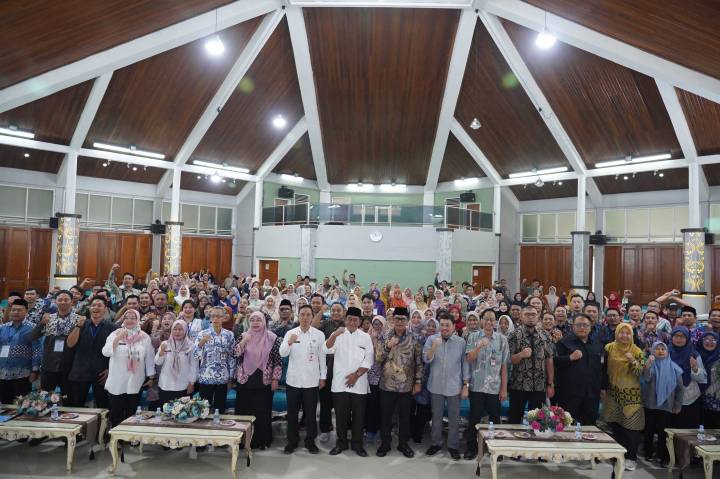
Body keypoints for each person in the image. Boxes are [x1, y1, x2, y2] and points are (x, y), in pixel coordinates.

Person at [323, 306, 374, 457]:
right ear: (345, 320)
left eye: (355, 320)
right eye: (349, 319)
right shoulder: (338, 334)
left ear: (359, 322)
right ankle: (341, 443)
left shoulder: (365, 337)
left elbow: (369, 359)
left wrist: (356, 375)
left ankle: (357, 444)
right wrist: (334, 335)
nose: (352, 322)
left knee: (359, 417)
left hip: (359, 384)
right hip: (340, 384)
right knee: (341, 416)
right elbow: (326, 349)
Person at [375, 307, 424, 458]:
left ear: (407, 321)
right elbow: (378, 359)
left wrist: (418, 382)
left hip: (406, 386)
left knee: (405, 417)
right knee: (386, 416)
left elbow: (419, 362)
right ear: (392, 319)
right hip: (387, 385)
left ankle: (403, 444)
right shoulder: (384, 336)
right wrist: (388, 346)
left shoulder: (414, 338)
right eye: (397, 319)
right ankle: (385, 443)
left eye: (403, 319)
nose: (400, 322)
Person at [279, 304, 326, 454]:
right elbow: (282, 353)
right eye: (302, 315)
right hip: (293, 381)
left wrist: (323, 377)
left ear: (312, 317)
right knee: (292, 413)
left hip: (311, 381)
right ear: (298, 316)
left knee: (310, 414)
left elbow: (322, 357)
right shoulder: (291, 333)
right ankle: (292, 441)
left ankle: (310, 441)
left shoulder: (319, 335)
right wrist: (289, 342)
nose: (305, 318)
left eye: (308, 315)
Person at [464, 310, 508, 459]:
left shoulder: (502, 339)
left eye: (492, 319)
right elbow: (469, 359)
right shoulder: (473, 336)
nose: (489, 322)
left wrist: (504, 389)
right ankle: (471, 447)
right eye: (486, 319)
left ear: (495, 322)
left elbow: (504, 366)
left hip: (494, 387)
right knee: (474, 418)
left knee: (495, 418)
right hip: (477, 386)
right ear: (482, 321)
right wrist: (479, 347)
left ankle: (495, 449)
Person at [235, 311, 282, 450]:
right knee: (244, 411)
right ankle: (244, 441)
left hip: (264, 380)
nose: (255, 323)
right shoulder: (243, 336)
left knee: (262, 411)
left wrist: (275, 379)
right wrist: (244, 341)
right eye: (252, 320)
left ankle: (262, 441)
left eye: (258, 320)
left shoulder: (273, 338)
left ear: (264, 322)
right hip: (245, 380)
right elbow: (235, 354)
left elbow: (277, 361)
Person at [423, 313, 467, 460]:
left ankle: (453, 446)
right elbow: (426, 359)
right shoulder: (431, 339)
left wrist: (466, 384)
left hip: (454, 386)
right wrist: (434, 347)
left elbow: (465, 364)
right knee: (436, 417)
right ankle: (436, 443)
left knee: (454, 418)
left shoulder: (461, 342)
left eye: (448, 325)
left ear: (454, 327)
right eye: (442, 325)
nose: (444, 328)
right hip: (436, 385)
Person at [102, 309, 156, 428]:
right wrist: (118, 338)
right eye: (127, 317)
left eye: (133, 318)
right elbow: (106, 352)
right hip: (117, 380)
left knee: (132, 411)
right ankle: (115, 435)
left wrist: (151, 377)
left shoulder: (144, 337)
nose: (129, 320)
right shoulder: (115, 334)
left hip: (135, 380)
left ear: (138, 320)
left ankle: (129, 434)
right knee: (116, 411)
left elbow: (149, 358)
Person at [602, 323, 645, 471]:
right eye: (621, 332)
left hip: (631, 395)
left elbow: (642, 372)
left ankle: (631, 458)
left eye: (628, 333)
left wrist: (633, 361)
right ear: (616, 334)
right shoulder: (609, 348)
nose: (624, 336)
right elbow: (603, 368)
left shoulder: (637, 351)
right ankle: (617, 455)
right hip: (614, 393)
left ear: (632, 336)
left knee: (632, 428)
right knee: (616, 426)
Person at [507, 306, 555, 424]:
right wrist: (521, 355)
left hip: (539, 385)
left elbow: (549, 360)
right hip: (518, 385)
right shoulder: (513, 335)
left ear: (538, 316)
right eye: (527, 314)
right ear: (521, 317)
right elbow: (508, 360)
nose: (530, 317)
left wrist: (550, 383)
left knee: (537, 422)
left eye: (533, 314)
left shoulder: (545, 335)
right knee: (514, 419)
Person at [66, 297, 117, 408]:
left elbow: (116, 352)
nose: (96, 308)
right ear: (89, 308)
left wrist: (109, 369)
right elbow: (70, 344)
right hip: (80, 371)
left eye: (99, 305)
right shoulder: (80, 324)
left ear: (105, 309)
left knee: (103, 407)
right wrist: (78, 326)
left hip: (102, 373)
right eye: (93, 305)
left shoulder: (113, 328)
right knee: (76, 406)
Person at [554, 313, 603, 426]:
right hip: (569, 393)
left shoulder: (597, 344)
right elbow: (555, 361)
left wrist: (603, 387)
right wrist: (570, 358)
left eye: (585, 325)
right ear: (573, 326)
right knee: (566, 425)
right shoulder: (563, 342)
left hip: (591, 393)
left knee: (590, 425)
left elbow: (601, 368)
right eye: (578, 325)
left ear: (590, 327)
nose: (582, 327)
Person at [29, 290, 80, 394]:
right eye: (60, 300)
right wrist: (42, 323)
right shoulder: (48, 318)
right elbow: (32, 336)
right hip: (49, 366)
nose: (63, 302)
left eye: (66, 300)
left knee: (68, 398)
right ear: (55, 301)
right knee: (45, 398)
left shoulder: (78, 320)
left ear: (71, 302)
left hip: (69, 367)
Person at [641, 342, 683, 465]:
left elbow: (680, 389)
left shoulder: (674, 368)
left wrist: (678, 405)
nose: (660, 351)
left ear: (667, 351)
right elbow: (646, 378)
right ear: (652, 351)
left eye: (663, 349)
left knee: (663, 432)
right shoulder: (650, 365)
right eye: (657, 349)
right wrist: (647, 366)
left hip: (667, 405)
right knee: (649, 430)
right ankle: (648, 452)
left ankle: (662, 455)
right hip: (651, 404)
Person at [194, 307, 236, 414]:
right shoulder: (202, 334)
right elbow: (195, 356)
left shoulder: (229, 335)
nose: (215, 319)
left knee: (220, 409)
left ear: (224, 318)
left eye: (218, 316)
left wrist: (230, 378)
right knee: (204, 410)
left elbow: (232, 357)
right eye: (213, 316)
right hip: (205, 377)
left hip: (223, 378)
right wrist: (201, 343)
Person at [0, 299, 42, 404]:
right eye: (13, 310)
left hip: (23, 373)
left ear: (26, 312)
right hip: (3, 372)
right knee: (5, 403)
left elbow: (37, 351)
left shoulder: (33, 328)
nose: (16, 312)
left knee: (22, 405)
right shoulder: (3, 328)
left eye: (19, 310)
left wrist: (34, 371)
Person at [316, 300, 345, 442]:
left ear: (344, 312)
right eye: (333, 310)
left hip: (343, 368)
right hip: (327, 367)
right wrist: (322, 310)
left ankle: (344, 430)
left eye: (339, 310)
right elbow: (313, 327)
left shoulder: (348, 325)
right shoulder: (325, 324)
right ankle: (325, 429)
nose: (336, 313)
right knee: (325, 401)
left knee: (343, 403)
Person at [668, 326, 707, 428]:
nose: (679, 339)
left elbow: (702, 378)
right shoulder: (666, 352)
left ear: (687, 338)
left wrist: (695, 369)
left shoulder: (693, 354)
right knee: (671, 430)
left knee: (688, 430)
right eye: (676, 336)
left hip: (690, 398)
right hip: (670, 398)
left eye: (682, 336)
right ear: (672, 337)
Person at [155, 319, 197, 404]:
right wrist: (161, 352)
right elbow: (157, 362)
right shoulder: (165, 344)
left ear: (185, 331)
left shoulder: (191, 346)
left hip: (183, 385)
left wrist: (192, 383)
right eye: (175, 329)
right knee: (165, 410)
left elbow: (194, 366)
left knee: (182, 410)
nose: (177, 332)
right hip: (165, 384)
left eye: (180, 329)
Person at [699, 331, 720, 428]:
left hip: (716, 400)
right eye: (706, 339)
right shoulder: (696, 356)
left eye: (713, 340)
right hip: (698, 399)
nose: (709, 342)